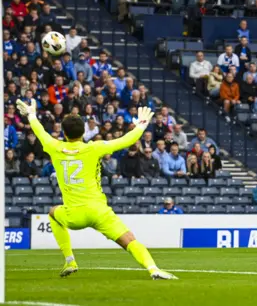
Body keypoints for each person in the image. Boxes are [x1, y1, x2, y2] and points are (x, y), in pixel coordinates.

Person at [15, 99, 176, 280]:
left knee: (53, 212)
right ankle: (153, 268)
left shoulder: (54, 146)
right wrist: (140, 126)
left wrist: (31, 115)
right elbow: (125, 140)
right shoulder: (94, 148)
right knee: (129, 240)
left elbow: (40, 131)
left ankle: (70, 260)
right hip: (99, 212)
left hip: (73, 215)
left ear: (64, 133)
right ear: (84, 131)